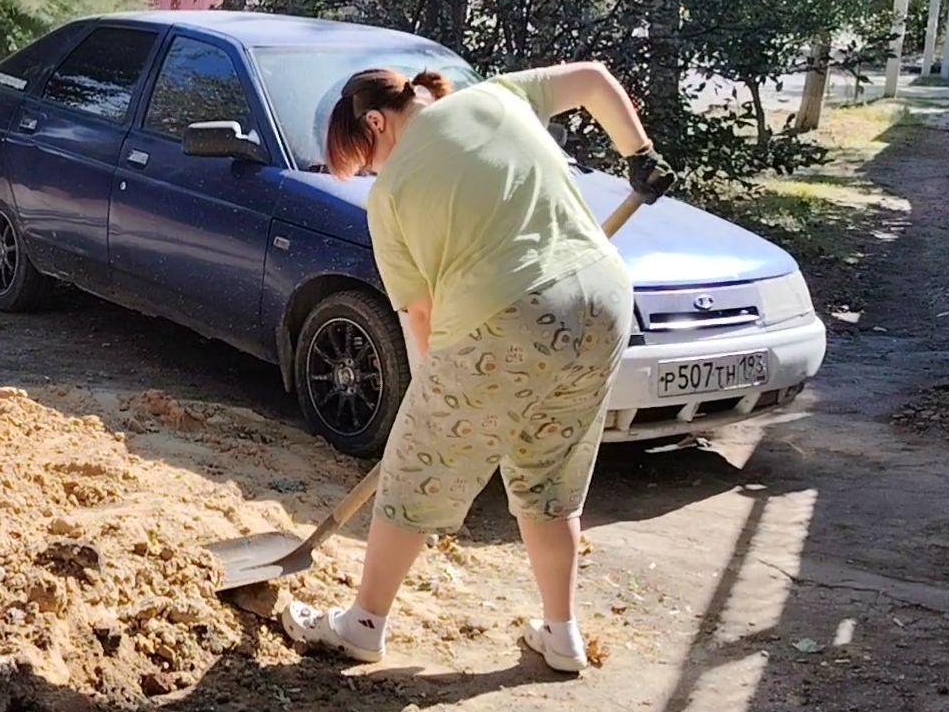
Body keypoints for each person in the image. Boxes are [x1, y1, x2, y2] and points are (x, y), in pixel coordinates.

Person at [280, 63, 675, 672]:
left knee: (416, 468)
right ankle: (563, 634)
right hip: (604, 301)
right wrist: (639, 153)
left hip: (505, 315)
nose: (373, 172)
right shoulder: (499, 95)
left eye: (367, 157)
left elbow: (421, 317)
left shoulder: (390, 196)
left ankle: (363, 624)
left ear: (378, 122)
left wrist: (424, 414)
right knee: (549, 476)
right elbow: (594, 79)